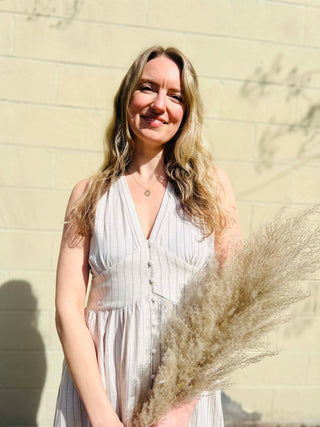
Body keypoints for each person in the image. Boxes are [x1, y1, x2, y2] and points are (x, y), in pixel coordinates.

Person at [54, 46, 241, 427]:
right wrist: (102, 415)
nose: (159, 104)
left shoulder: (213, 188)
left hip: (184, 395)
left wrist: (174, 412)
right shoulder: (88, 195)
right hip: (101, 388)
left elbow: (230, 305)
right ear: (127, 98)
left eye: (175, 96)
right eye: (147, 88)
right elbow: (67, 310)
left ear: (187, 112)